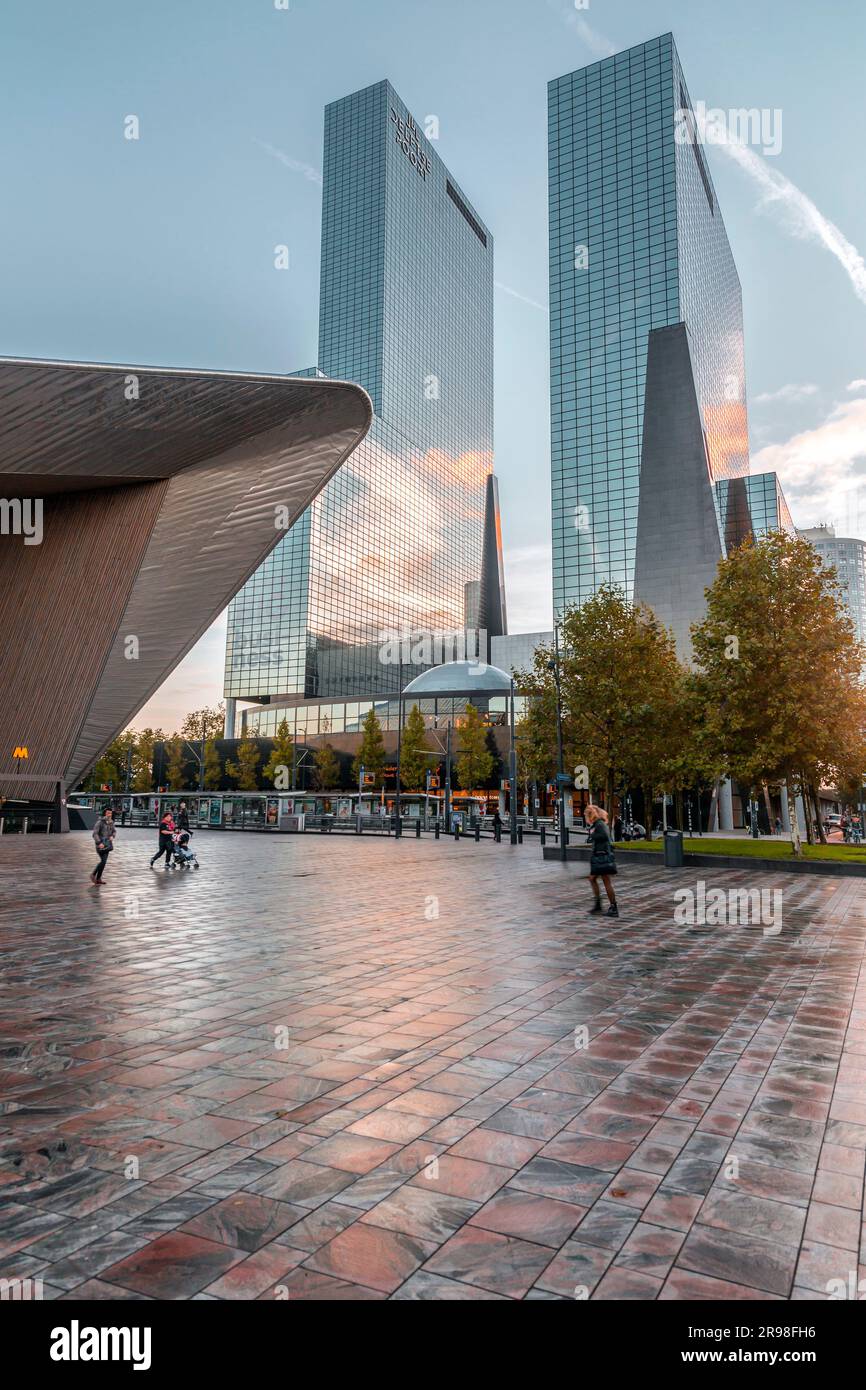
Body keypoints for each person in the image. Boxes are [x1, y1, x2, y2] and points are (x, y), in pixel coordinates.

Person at [585, 805, 618, 917]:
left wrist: (592, 835)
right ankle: (599, 905)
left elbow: (604, 837)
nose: (586, 818)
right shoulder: (598, 824)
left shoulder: (600, 824)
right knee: (593, 878)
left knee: (605, 880)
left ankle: (613, 907)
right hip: (600, 856)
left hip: (602, 857)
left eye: (586, 815)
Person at [91, 807, 116, 885]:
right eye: (108, 813)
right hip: (100, 844)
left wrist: (113, 836)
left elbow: (114, 831)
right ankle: (93, 875)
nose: (109, 815)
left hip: (107, 844)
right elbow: (94, 834)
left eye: (110, 813)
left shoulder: (111, 822)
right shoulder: (100, 822)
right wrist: (99, 843)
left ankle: (98, 879)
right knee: (103, 861)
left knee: (104, 862)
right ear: (105, 813)